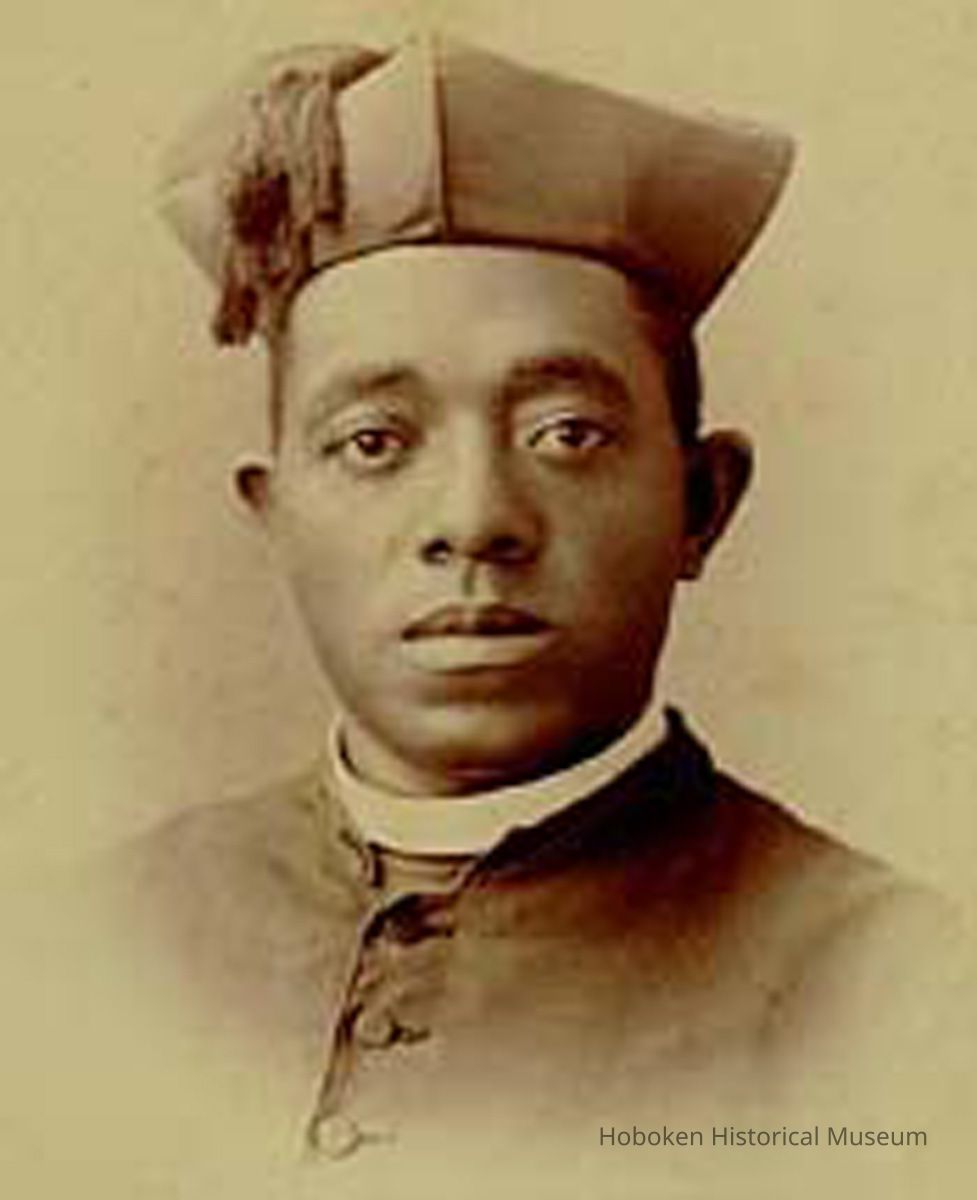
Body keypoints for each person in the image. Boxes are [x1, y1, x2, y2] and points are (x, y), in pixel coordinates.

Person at [78, 32, 961, 1174]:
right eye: (373, 441)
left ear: (701, 503)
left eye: (565, 434)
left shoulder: (903, 1001)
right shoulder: (77, 955)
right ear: (275, 516)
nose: (475, 518)